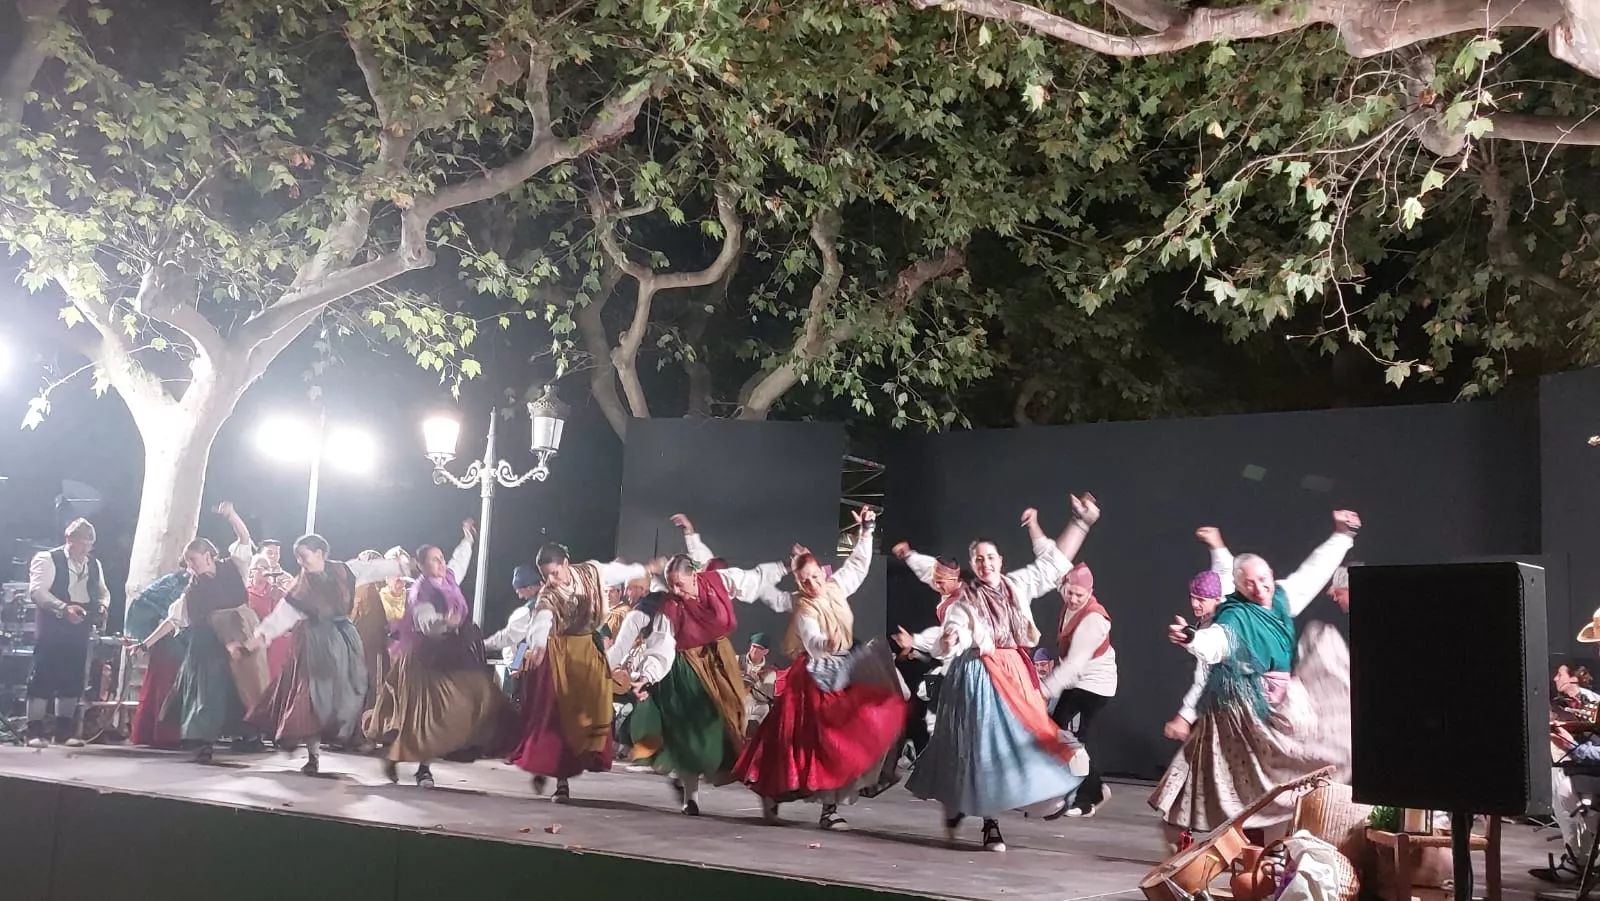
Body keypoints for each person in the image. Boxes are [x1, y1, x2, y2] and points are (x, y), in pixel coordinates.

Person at [903, 496, 1100, 853]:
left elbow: (1054, 564)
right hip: (979, 677)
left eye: (990, 557)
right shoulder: (964, 600)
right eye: (979, 558)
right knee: (982, 749)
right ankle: (988, 823)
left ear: (1000, 561)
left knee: (1025, 743)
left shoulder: (1015, 586)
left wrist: (1080, 523)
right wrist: (951, 639)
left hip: (1015, 673)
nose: (985, 563)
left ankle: (1035, 797)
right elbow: (957, 630)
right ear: (973, 565)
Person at [1151, 510, 1360, 843]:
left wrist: (1341, 536)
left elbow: (1313, 572)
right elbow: (1217, 643)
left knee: (1301, 764)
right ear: (1238, 586)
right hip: (1243, 712)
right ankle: (1221, 844)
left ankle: (1270, 848)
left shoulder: (1279, 597)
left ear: (1272, 576)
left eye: (1264, 580)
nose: (1260, 588)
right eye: (1250, 583)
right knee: (1229, 779)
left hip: (1280, 707)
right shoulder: (1235, 615)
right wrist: (1192, 639)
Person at [734, 508, 908, 830]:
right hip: (816, 677)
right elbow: (811, 636)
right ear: (798, 583)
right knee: (805, 746)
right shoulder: (803, 605)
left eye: (815, 576)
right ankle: (784, 797)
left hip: (844, 670)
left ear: (823, 573)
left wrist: (867, 531)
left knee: (846, 739)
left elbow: (857, 565)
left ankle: (829, 807)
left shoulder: (836, 586)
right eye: (805, 580)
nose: (812, 584)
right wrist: (823, 644)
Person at [613, 513, 788, 815]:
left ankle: (765, 793)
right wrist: (648, 676)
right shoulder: (669, 606)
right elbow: (662, 647)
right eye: (671, 586)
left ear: (694, 575)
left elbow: (754, 578)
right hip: (686, 669)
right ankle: (690, 797)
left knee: (733, 729)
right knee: (689, 733)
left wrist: (786, 567)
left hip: (720, 662)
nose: (677, 591)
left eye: (680, 584)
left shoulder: (717, 580)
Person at [232, 534, 407, 775]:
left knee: (349, 695)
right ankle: (312, 755)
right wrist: (252, 643)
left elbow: (375, 569)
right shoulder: (300, 588)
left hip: (344, 642)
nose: (300, 562)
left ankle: (341, 732)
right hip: (313, 646)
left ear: (320, 553)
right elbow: (279, 618)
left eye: (304, 556)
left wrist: (406, 565)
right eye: (297, 558)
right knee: (310, 698)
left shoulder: (345, 571)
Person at [490, 543, 653, 800]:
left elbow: (615, 573)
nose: (549, 581)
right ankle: (558, 777)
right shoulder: (540, 601)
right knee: (556, 716)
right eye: (545, 577)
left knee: (594, 708)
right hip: (552, 656)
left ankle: (568, 759)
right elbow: (527, 633)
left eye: (524, 588)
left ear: (566, 564)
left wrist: (646, 568)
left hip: (586, 651)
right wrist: (528, 654)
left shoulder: (590, 574)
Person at [366, 525, 510, 787]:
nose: (442, 562)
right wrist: (446, 621)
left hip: (450, 656)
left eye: (441, 557)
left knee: (448, 711)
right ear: (421, 566)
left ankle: (398, 758)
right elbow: (425, 622)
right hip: (425, 659)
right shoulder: (421, 591)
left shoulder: (449, 578)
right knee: (428, 715)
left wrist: (467, 541)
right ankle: (422, 769)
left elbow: (459, 561)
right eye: (434, 559)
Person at [139, 502, 268, 762]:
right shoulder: (192, 590)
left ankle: (248, 736)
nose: (191, 566)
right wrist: (145, 644)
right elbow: (173, 620)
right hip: (206, 646)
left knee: (244, 689)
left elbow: (244, 538)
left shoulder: (234, 567)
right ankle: (202, 742)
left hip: (238, 635)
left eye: (194, 560)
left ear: (209, 555)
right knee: (206, 691)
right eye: (188, 562)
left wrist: (232, 515)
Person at [1040, 561, 1117, 818]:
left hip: (1093, 685)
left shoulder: (1093, 620)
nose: (1073, 599)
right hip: (1075, 682)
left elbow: (1073, 665)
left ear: (1090, 592)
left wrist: (1044, 690)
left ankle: (1089, 796)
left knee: (1070, 739)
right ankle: (1085, 789)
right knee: (1056, 733)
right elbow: (1048, 559)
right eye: (1070, 593)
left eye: (1079, 595)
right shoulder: (1067, 592)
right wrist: (1034, 527)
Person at [25, 518, 111, 748]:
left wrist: (102, 606)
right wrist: (63, 608)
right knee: (43, 675)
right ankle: (34, 731)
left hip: (80, 623)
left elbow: (103, 591)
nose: (85, 550)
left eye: (89, 545)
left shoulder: (94, 564)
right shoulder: (47, 559)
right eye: (81, 544)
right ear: (69, 540)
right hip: (54, 623)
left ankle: (64, 732)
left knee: (73, 677)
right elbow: (37, 592)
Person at [1163, 527, 1233, 743]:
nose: (1194, 604)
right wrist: (1217, 545)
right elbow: (1224, 572)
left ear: (1216, 600)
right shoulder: (1223, 595)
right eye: (1193, 597)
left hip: (1229, 702)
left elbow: (1204, 678)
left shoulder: (1219, 628)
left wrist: (1184, 716)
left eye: (1201, 600)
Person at [125, 565, 193, 750]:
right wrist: (147, 639)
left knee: (183, 688)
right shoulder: (170, 582)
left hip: (189, 642)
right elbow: (144, 606)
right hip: (168, 642)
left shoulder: (202, 585)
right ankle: (161, 734)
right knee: (163, 687)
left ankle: (182, 734)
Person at [245, 554, 291, 681]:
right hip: (255, 637)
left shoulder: (276, 591)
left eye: (265, 567)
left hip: (276, 639)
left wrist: (281, 594)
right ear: (251, 571)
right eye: (258, 568)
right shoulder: (245, 593)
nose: (262, 571)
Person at [742, 633, 778, 735]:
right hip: (739, 701)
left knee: (766, 710)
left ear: (765, 652)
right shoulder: (737, 660)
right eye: (753, 646)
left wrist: (758, 680)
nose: (754, 650)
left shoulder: (769, 671)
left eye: (759, 648)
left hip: (758, 703)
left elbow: (764, 697)